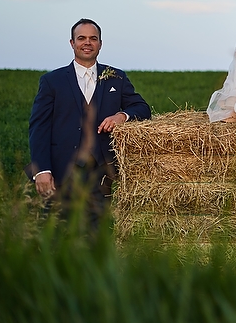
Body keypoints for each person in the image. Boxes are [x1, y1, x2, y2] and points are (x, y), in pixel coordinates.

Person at [27, 18, 151, 223]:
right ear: (72, 43)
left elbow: (142, 108)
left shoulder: (116, 78)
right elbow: (39, 127)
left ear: (100, 44)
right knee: (57, 232)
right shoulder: (52, 81)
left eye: (93, 38)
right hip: (60, 171)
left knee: (96, 235)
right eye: (81, 38)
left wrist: (122, 116)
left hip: (101, 172)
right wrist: (42, 170)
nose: (87, 42)